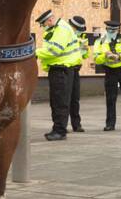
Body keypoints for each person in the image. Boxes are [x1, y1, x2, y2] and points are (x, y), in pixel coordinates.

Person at [36, 9, 82, 141]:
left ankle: (60, 131)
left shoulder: (61, 29)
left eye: (44, 23)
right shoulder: (56, 29)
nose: (44, 26)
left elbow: (55, 50)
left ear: (50, 20)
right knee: (57, 100)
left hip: (62, 70)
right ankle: (58, 128)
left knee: (60, 101)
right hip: (59, 69)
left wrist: (35, 52)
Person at [67, 15, 88, 133]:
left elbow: (84, 56)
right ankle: (62, 125)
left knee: (75, 98)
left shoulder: (81, 38)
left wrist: (84, 49)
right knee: (65, 99)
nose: (81, 32)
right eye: (79, 30)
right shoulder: (65, 36)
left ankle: (77, 124)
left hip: (76, 71)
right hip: (66, 70)